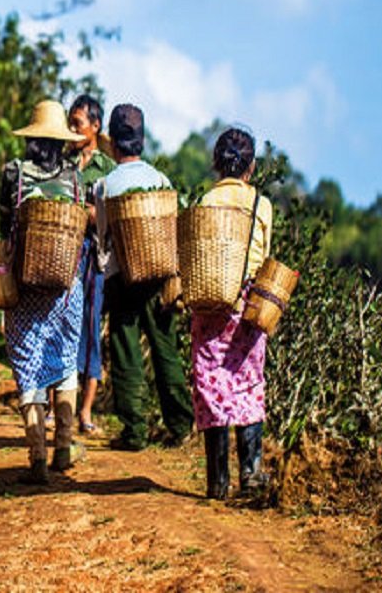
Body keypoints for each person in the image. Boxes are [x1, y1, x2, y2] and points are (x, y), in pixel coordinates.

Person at [0, 100, 87, 484]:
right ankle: (63, 447)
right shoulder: (75, 178)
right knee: (65, 359)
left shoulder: (13, 173)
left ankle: (37, 457)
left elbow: (5, 225)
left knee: (28, 361)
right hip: (66, 286)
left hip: (26, 282)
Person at [101, 104, 194, 451]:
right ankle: (181, 425)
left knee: (126, 352)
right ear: (141, 141)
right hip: (158, 278)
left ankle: (134, 430)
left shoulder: (106, 184)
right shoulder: (161, 180)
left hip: (123, 278)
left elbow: (101, 236)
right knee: (164, 350)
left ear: (111, 143)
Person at [191, 127, 273, 499]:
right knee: (248, 380)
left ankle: (217, 482)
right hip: (247, 303)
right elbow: (264, 252)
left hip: (210, 301)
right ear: (251, 167)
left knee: (210, 383)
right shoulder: (262, 205)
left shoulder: (205, 201)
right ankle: (251, 472)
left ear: (216, 164)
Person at [67, 95, 116, 434]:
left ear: (95, 127)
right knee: (64, 325)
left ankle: (85, 411)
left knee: (90, 326)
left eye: (78, 124)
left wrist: (89, 214)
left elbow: (111, 217)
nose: (73, 130)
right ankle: (63, 405)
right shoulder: (65, 162)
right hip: (66, 253)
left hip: (95, 257)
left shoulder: (108, 170)